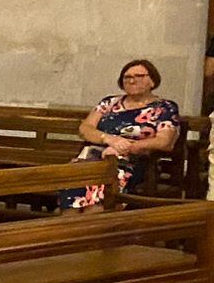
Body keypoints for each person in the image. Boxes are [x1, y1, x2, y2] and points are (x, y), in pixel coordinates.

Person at [63, 58, 182, 210]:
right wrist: (109, 139)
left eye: (139, 76)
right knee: (73, 177)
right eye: (127, 77)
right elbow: (85, 128)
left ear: (152, 81)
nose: (132, 81)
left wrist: (126, 147)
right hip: (93, 157)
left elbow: (164, 141)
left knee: (105, 187)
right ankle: (69, 224)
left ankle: (97, 224)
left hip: (132, 160)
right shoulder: (109, 103)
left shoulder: (165, 108)